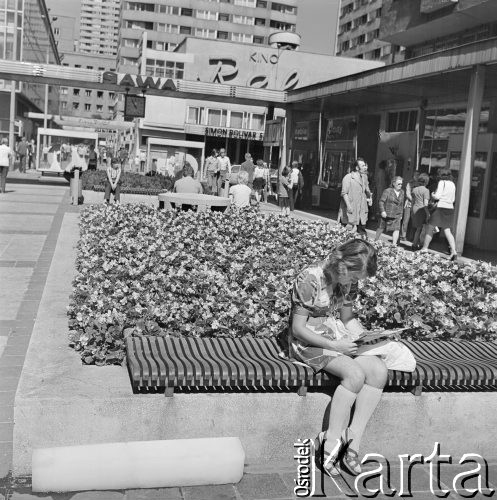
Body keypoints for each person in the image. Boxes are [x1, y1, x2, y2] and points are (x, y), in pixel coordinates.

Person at [289, 238, 414, 477]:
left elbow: (347, 319)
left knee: (378, 371)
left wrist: (369, 338)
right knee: (355, 374)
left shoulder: (348, 283)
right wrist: (334, 344)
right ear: (343, 265)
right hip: (307, 342)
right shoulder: (310, 278)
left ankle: (352, 443)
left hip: (336, 335)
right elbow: (298, 329)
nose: (356, 283)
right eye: (356, 277)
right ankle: (329, 441)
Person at [420, 168, 457, 260]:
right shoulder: (453, 184)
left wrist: (433, 195)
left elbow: (437, 196)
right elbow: (453, 199)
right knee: (447, 231)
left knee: (430, 227)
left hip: (440, 208)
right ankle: (454, 252)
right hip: (450, 208)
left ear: (441, 175)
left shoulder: (442, 182)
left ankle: (424, 248)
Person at [338, 158, 370, 237]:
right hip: (351, 209)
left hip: (361, 211)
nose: (365, 167)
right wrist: (349, 206)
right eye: (362, 166)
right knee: (346, 233)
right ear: (356, 168)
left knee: (361, 234)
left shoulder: (364, 177)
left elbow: (366, 190)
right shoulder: (348, 177)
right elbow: (344, 193)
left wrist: (369, 198)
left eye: (365, 165)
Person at [374, 176, 405, 246]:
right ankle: (376, 240)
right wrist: (382, 211)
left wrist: (401, 215)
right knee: (381, 227)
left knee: (397, 229)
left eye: (401, 184)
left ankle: (394, 245)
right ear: (393, 183)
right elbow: (381, 202)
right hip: (386, 213)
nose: (400, 185)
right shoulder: (387, 191)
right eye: (398, 184)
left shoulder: (402, 192)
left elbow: (401, 204)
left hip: (397, 214)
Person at [410, 173, 431, 250]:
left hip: (415, 208)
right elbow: (425, 204)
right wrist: (428, 213)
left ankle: (415, 244)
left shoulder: (414, 189)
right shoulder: (426, 191)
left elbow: (413, 201)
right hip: (422, 210)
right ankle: (417, 244)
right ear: (426, 181)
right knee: (422, 228)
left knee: (416, 228)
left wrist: (412, 210)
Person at [400, 173, 419, 242]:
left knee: (414, 222)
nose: (416, 176)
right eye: (415, 175)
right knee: (406, 220)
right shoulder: (409, 183)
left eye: (418, 175)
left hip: (416, 205)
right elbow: (408, 194)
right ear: (413, 176)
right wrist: (413, 200)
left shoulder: (420, 184)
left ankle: (411, 237)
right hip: (409, 204)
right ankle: (403, 235)